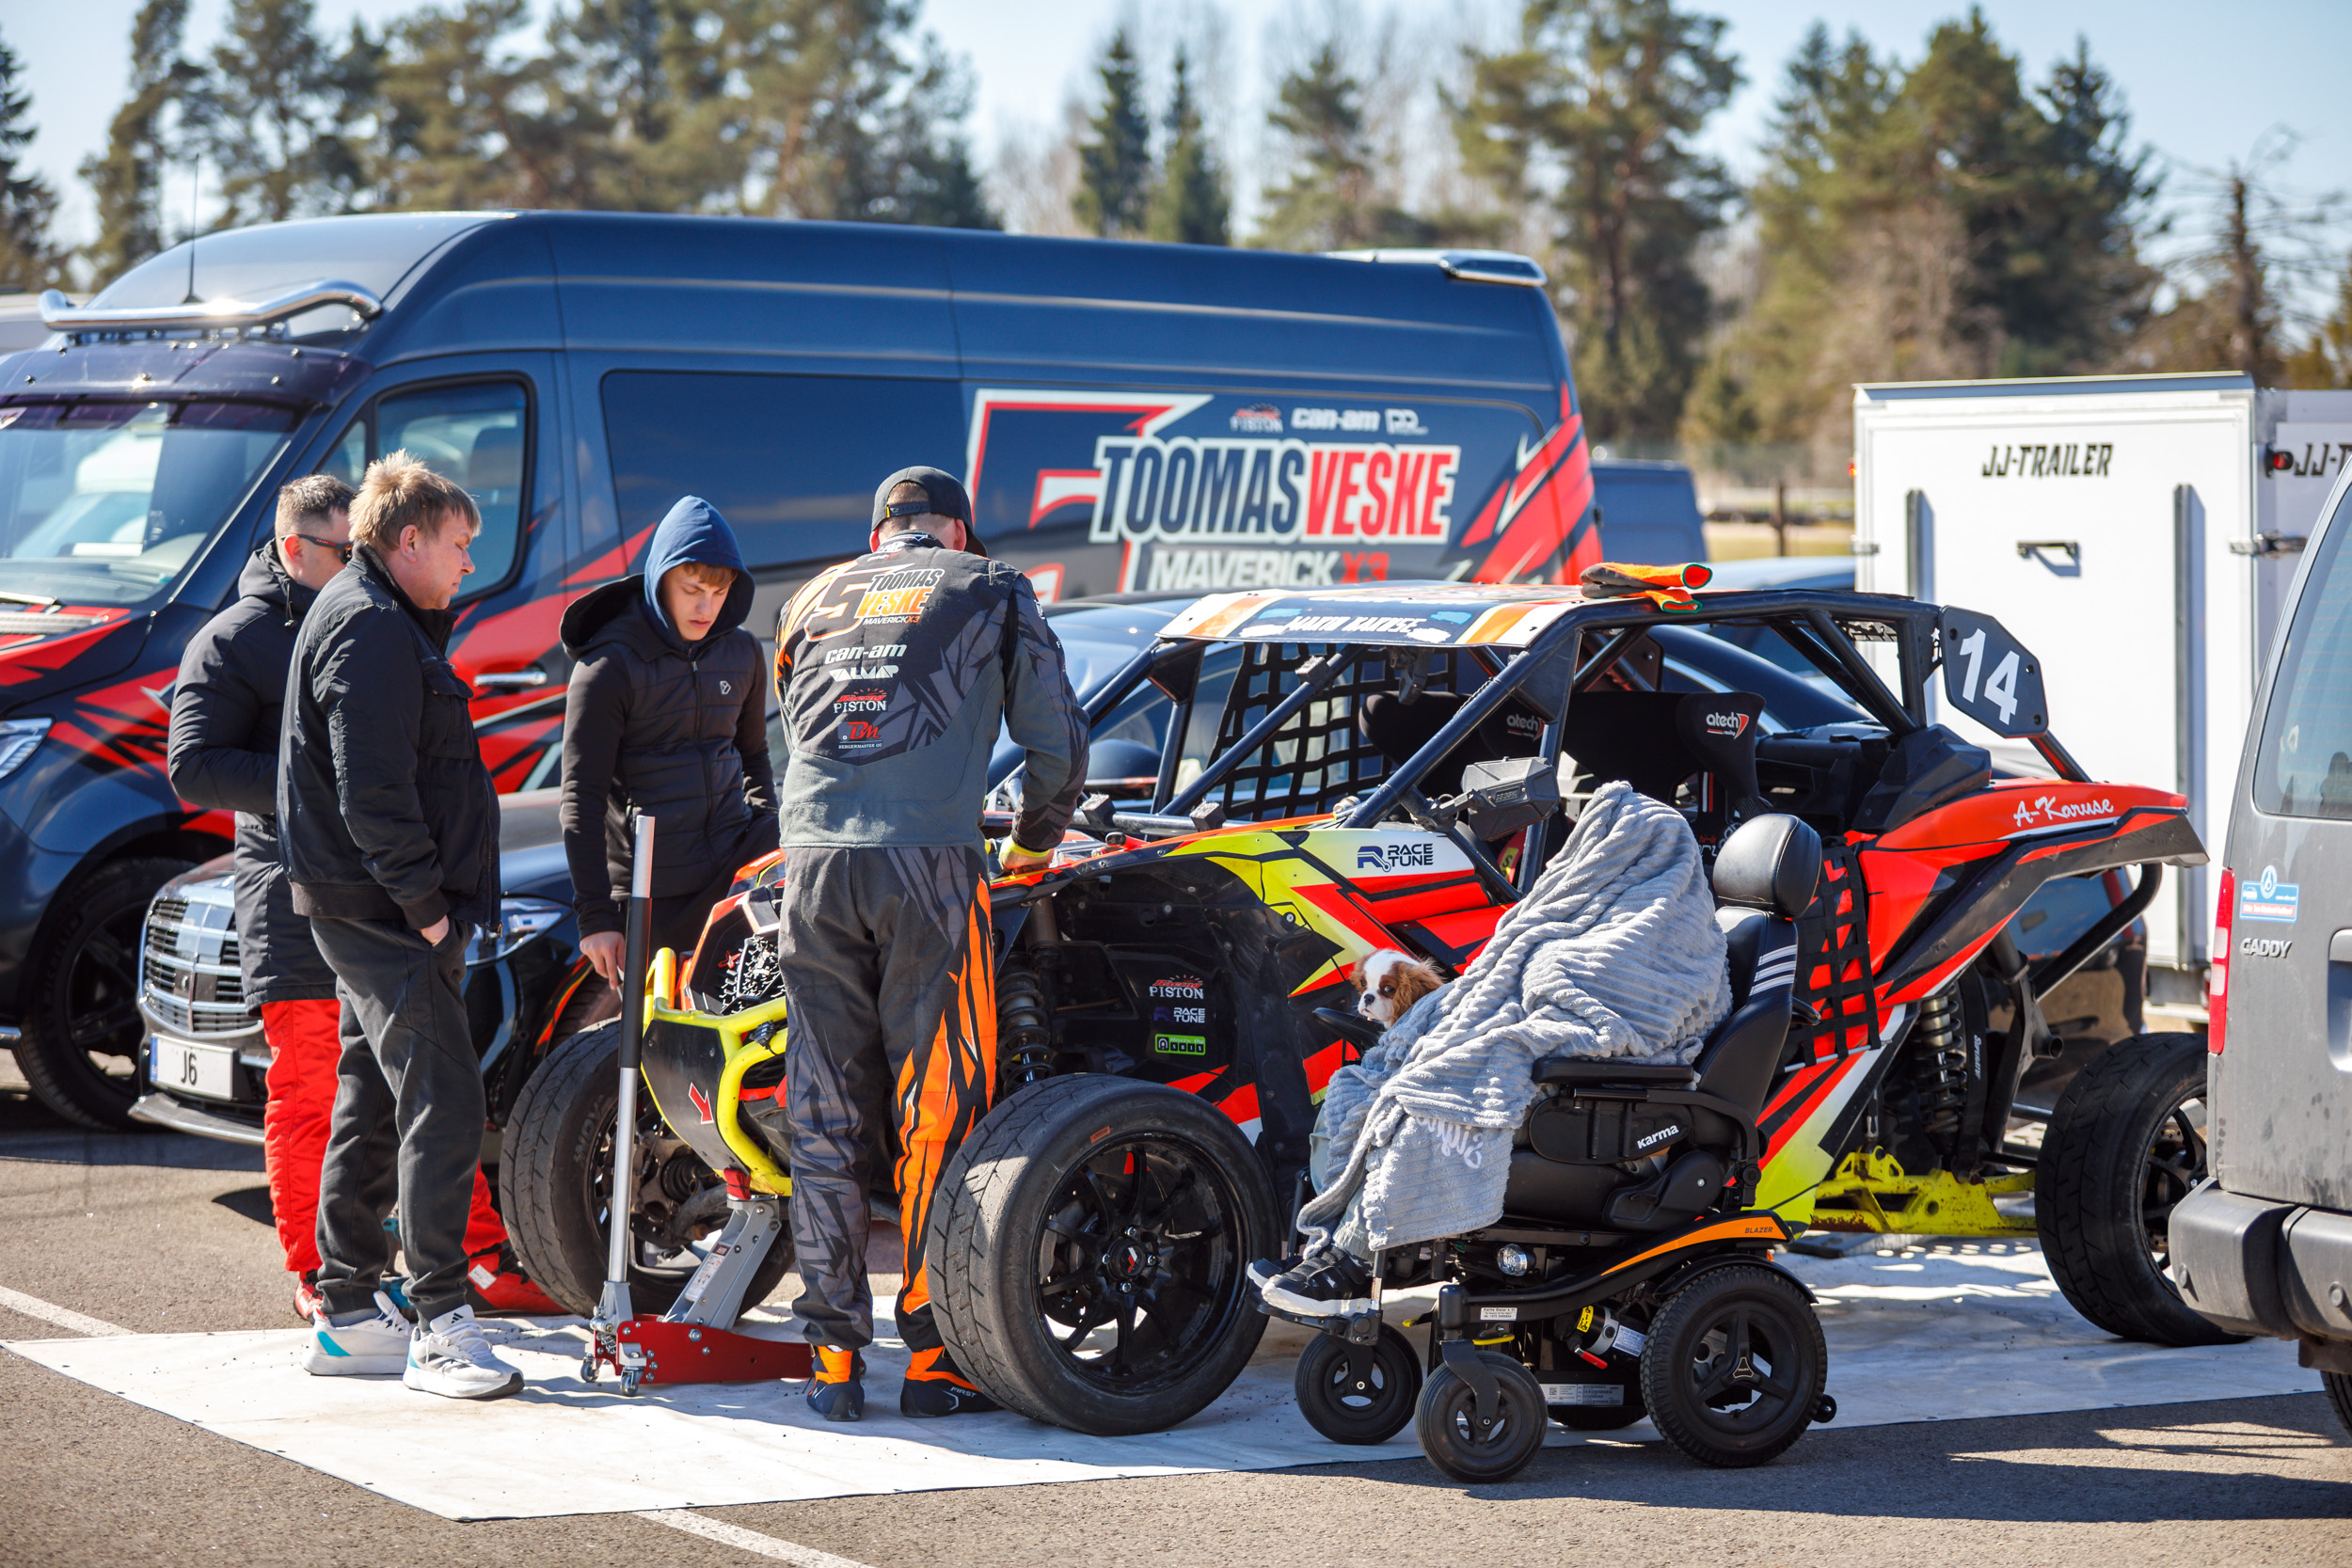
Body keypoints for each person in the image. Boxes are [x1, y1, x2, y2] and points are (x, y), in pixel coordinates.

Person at [167, 476, 558, 1323]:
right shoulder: (246, 637)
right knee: (333, 1093)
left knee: (388, 1089)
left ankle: (443, 1266)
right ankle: (328, 1279)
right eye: (342, 547)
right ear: (296, 547)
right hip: (304, 890)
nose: (356, 556)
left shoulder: (372, 616)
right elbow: (194, 766)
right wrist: (310, 781)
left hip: (371, 885)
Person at [771, 467, 1087, 1420]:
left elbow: (790, 736)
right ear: (956, 531)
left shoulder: (807, 598)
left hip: (809, 868)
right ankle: (935, 1356)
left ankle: (831, 1359)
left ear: (878, 535)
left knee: (823, 1112)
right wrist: (1031, 845)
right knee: (937, 1108)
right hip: (930, 870)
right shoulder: (990, 586)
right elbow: (1059, 749)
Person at [280, 451, 521, 1400]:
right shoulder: (371, 625)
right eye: (460, 542)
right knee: (444, 1099)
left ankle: (348, 1310)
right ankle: (440, 1324)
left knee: (375, 1097)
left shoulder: (376, 614)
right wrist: (426, 910)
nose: (469, 562)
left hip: (369, 905)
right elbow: (373, 790)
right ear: (408, 538)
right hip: (385, 911)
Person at [560, 496, 777, 991]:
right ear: (660, 580)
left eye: (719, 592)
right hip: (650, 890)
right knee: (659, 1034)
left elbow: (754, 756)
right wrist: (595, 918)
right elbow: (580, 800)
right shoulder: (607, 668)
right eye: (692, 590)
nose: (706, 608)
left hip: (735, 879)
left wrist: (767, 832)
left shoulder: (743, 651)